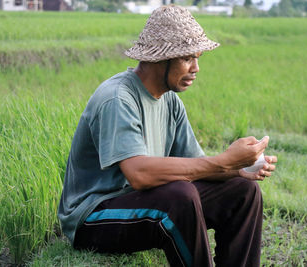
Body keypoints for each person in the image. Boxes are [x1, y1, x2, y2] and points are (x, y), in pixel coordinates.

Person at [58, 5, 277, 267]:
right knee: (180, 197)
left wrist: (236, 168)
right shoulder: (118, 98)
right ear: (160, 59)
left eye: (197, 58)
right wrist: (222, 162)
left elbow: (197, 168)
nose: (196, 68)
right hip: (94, 217)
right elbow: (139, 174)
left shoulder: (171, 103)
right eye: (187, 59)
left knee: (244, 192)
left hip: (140, 204)